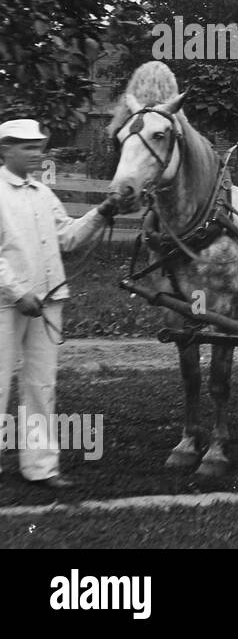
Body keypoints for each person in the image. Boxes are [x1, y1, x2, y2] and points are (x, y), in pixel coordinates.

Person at [0, 119, 118, 490]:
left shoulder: (41, 193)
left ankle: (40, 467)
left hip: (48, 303)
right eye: (27, 147)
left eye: (38, 147)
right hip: (7, 305)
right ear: (6, 150)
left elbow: (67, 237)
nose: (36, 153)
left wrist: (103, 212)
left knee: (41, 385)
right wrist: (17, 293)